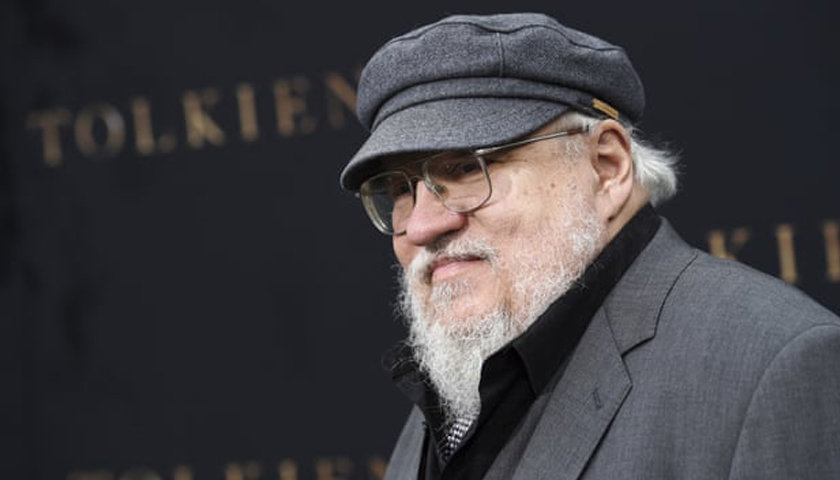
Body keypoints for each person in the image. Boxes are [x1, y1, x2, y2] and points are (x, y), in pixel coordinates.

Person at [339, 13, 840, 480]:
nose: (422, 225)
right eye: (400, 190)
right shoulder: (463, 379)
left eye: (469, 168)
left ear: (607, 167)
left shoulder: (772, 366)